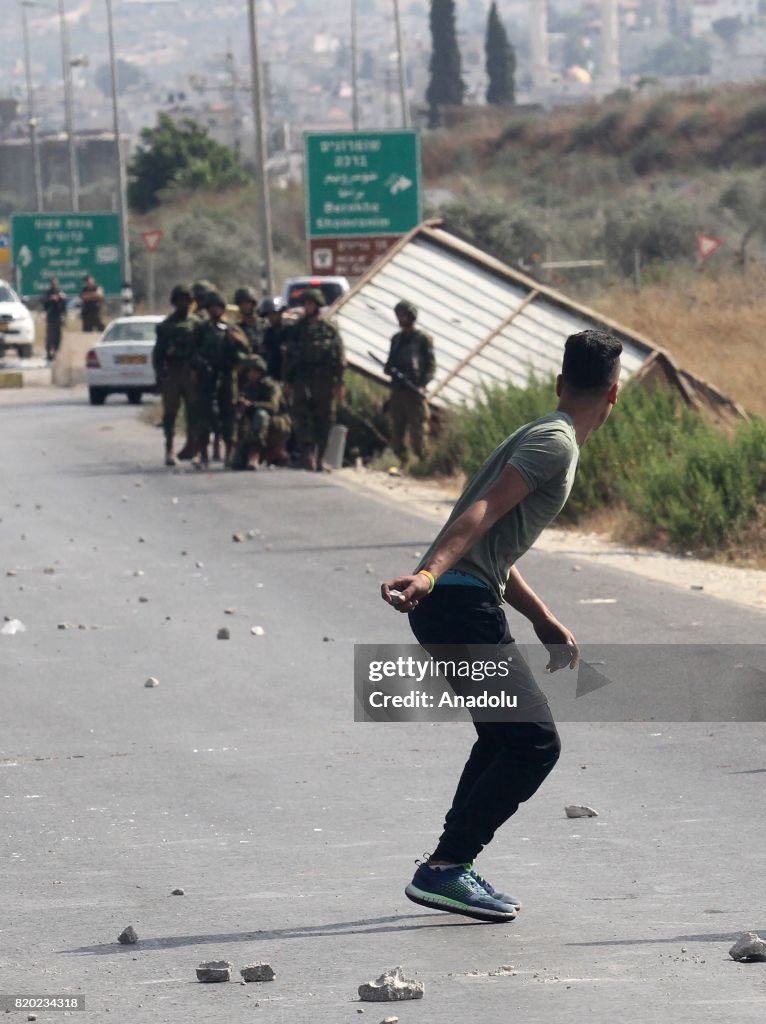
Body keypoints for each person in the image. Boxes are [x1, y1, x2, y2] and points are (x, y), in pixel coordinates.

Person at [381, 329, 623, 923]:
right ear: (614, 395)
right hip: (456, 604)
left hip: (456, 601)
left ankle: (449, 867)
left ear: (561, 383)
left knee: (503, 739)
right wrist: (431, 575)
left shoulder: (543, 433)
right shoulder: (556, 444)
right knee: (534, 743)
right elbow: (482, 512)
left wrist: (543, 619)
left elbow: (494, 544)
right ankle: (444, 868)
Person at [283, 288, 345, 472]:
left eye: (311, 304)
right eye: (305, 304)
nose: (307, 307)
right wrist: (287, 380)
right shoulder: (297, 328)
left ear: (317, 306)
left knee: (325, 418)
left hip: (324, 379)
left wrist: (339, 382)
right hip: (303, 377)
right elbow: (288, 356)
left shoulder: (329, 328)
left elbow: (339, 355)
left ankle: (321, 458)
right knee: (301, 416)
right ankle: (306, 455)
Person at [188, 291, 249, 469]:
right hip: (206, 377)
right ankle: (204, 455)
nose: (215, 310)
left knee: (229, 415)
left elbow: (246, 351)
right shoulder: (200, 329)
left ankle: (229, 454)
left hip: (227, 376)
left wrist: (238, 342)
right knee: (204, 416)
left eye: (218, 307)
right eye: (212, 307)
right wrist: (199, 366)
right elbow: (191, 352)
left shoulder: (232, 329)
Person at [383, 300, 436, 467]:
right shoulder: (396, 339)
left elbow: (431, 365)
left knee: (418, 433)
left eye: (403, 315)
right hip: (398, 391)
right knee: (396, 432)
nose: (400, 318)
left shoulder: (423, 339)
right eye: (399, 315)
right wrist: (390, 370)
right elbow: (390, 362)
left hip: (414, 392)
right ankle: (403, 462)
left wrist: (422, 384)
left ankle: (422, 464)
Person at [153, 285, 196, 467]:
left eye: (186, 300)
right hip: (173, 373)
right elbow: (158, 353)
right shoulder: (165, 327)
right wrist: (160, 374)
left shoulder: (196, 325)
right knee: (170, 414)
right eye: (179, 301)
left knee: (194, 413)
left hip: (192, 373)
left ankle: (193, 447)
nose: (183, 304)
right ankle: (169, 449)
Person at [231, 355, 291, 470]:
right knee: (237, 464)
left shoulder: (272, 386)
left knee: (260, 414)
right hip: (255, 426)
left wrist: (252, 404)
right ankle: (273, 455)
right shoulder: (249, 387)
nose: (251, 374)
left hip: (277, 423)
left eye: (254, 371)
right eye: (249, 372)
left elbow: (273, 407)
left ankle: (256, 454)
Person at [258, 296, 289, 381]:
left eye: (274, 313)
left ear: (280, 313)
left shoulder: (289, 331)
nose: (271, 317)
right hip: (271, 376)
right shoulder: (266, 333)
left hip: (287, 376)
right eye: (269, 314)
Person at [42, 278, 67, 362]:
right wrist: (51, 299)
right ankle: (49, 353)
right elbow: (45, 304)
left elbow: (64, 307)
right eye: (52, 284)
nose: (54, 286)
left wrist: (60, 298)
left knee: (58, 337)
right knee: (50, 337)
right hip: (51, 318)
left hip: (58, 318)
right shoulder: (48, 293)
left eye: (55, 284)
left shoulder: (60, 292)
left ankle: (57, 353)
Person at [234, 287, 265, 355]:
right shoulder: (237, 329)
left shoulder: (265, 325)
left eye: (247, 303)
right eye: (241, 303)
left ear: (253, 303)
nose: (245, 306)